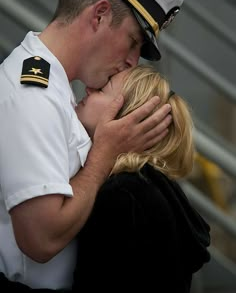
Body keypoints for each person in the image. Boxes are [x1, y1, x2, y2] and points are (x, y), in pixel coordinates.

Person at [0, 0, 184, 289]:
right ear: (99, 16)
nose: (131, 62)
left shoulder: (54, 87)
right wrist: (104, 156)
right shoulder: (33, 94)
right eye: (132, 42)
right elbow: (40, 240)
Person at [0, 64, 211, 292]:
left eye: (102, 89)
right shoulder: (150, 187)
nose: (89, 89)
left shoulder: (123, 197)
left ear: (127, 118)